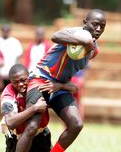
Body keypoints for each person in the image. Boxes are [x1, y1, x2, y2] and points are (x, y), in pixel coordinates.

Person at [15, 9, 106, 152]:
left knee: (76, 124)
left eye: (102, 26)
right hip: (41, 79)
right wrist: (84, 41)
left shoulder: (94, 51)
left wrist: (60, 85)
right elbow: (55, 36)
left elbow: (70, 75)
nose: (99, 29)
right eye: (95, 24)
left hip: (60, 86)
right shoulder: (74, 33)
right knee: (32, 127)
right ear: (85, 22)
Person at [0, 64, 78, 152]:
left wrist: (60, 86)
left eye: (23, 80)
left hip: (41, 135)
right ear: (10, 82)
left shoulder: (38, 84)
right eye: (15, 82)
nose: (20, 84)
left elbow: (75, 88)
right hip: (18, 139)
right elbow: (10, 122)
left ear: (29, 76)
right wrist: (35, 108)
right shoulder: (8, 93)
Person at [0, 24, 23, 90]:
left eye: (7, 30)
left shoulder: (15, 42)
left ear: (9, 31)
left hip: (11, 74)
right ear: (1, 31)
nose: (5, 32)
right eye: (4, 30)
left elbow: (18, 58)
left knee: (11, 92)